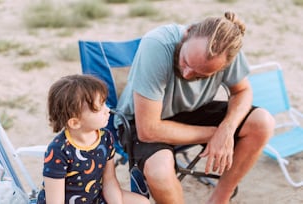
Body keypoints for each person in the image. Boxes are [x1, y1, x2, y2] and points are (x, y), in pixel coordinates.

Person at [115, 11, 275, 204]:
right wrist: (215, 134)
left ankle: (220, 199)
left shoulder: (228, 52)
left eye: (202, 74)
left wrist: (228, 128)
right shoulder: (157, 45)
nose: (188, 74)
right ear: (188, 33)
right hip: (142, 120)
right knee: (159, 171)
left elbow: (242, 91)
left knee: (262, 123)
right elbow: (148, 130)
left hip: (192, 110)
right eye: (186, 62)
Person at [37, 75, 150, 204]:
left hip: (96, 197)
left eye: (104, 103)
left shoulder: (105, 137)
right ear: (75, 123)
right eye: (99, 108)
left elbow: (109, 181)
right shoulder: (59, 151)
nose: (107, 110)